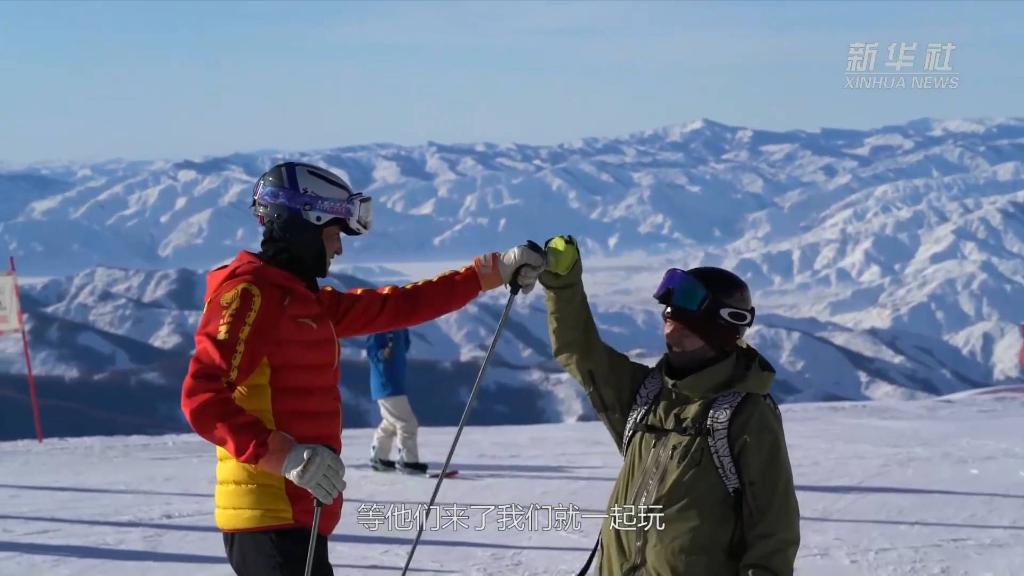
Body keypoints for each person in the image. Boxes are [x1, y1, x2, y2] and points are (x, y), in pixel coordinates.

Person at [180, 161, 545, 576]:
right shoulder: (251, 295)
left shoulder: (302, 301)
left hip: (297, 512)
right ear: (304, 227)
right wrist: (285, 456)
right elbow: (202, 397)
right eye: (333, 234)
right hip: (269, 515)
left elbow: (398, 305)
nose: (337, 249)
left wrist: (491, 272)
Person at [538, 235, 800, 576]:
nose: (670, 336)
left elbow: (773, 531)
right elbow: (579, 351)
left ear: (720, 336)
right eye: (668, 323)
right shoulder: (647, 395)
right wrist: (563, 284)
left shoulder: (745, 414)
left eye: (685, 331)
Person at [365, 328, 425, 473]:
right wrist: (383, 353)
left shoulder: (401, 326)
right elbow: (372, 351)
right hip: (386, 383)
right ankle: (408, 461)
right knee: (407, 423)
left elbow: (405, 345)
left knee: (391, 422)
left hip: (392, 383)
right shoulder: (380, 324)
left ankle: (379, 456)